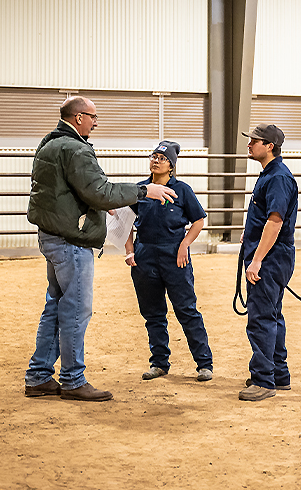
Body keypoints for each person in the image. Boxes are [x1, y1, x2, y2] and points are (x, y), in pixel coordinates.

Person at [25, 96, 176, 402]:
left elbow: (64, 192)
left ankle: (39, 375)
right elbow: (99, 190)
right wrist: (145, 190)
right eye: (93, 117)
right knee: (76, 310)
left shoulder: (49, 144)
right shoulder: (76, 148)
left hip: (52, 237)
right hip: (71, 242)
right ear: (79, 117)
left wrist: (93, 205)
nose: (95, 122)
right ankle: (72, 379)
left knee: (54, 305)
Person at [124, 141, 213, 382]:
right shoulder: (140, 190)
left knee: (186, 309)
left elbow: (198, 221)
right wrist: (130, 250)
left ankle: (204, 364)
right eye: (153, 156)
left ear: (171, 166)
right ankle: (159, 363)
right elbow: (124, 223)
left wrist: (185, 244)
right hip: (144, 256)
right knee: (153, 313)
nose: (156, 161)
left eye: (162, 158)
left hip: (175, 256)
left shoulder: (182, 190)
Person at [238, 124, 298, 402]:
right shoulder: (272, 175)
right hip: (275, 256)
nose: (249, 144)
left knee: (261, 317)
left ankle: (263, 381)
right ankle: (279, 374)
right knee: (273, 315)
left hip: (270, 258)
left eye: (254, 141)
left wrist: (257, 260)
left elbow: (275, 222)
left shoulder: (277, 178)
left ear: (269, 146)